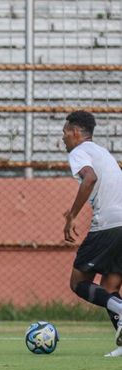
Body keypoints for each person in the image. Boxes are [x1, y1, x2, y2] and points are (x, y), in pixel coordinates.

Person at [61, 111, 122, 357]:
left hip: (107, 224)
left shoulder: (79, 152)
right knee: (110, 285)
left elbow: (90, 178)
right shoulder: (102, 152)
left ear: (76, 132)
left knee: (78, 282)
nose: (63, 138)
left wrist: (72, 216)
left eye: (65, 132)